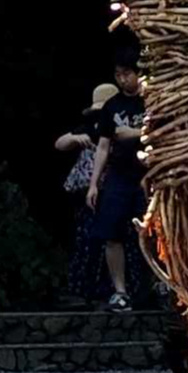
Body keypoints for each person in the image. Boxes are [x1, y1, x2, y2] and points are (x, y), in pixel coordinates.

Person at [55, 66, 149, 309]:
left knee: (133, 238)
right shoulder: (90, 129)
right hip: (95, 193)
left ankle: (136, 289)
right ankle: (95, 289)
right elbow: (61, 143)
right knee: (97, 240)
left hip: (126, 185)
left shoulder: (133, 112)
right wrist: (77, 141)